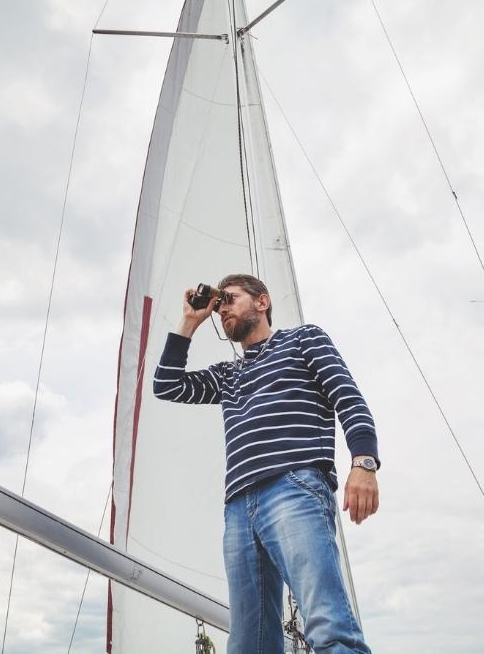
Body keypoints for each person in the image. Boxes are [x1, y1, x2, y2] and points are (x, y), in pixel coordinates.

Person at [153, 274, 378, 654]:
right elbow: (167, 384)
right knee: (248, 643)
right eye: (219, 303)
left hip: (293, 487)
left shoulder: (304, 339)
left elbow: (349, 399)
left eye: (231, 298)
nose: (223, 307)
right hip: (239, 508)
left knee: (326, 624)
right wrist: (190, 322)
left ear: (262, 302)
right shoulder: (228, 375)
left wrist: (364, 463)